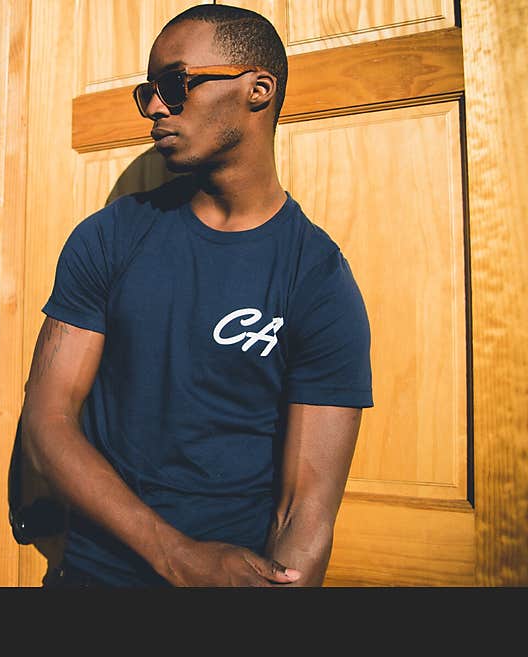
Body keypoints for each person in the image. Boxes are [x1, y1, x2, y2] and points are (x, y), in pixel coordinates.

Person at [21, 4, 373, 587]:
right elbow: (47, 423)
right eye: (149, 91)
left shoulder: (318, 278)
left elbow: (306, 508)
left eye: (175, 84)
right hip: (93, 577)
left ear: (258, 90)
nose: (156, 106)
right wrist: (179, 558)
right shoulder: (109, 238)